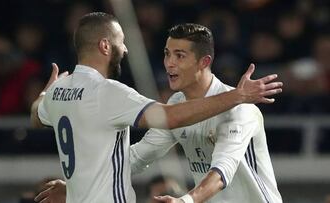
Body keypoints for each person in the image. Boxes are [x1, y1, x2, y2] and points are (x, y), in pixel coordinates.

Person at [30, 12, 282, 203]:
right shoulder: (178, 104)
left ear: (204, 61)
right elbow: (138, 157)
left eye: (180, 56)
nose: (169, 64)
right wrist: (78, 186)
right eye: (166, 53)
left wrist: (186, 200)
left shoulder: (239, 108)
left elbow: (222, 170)